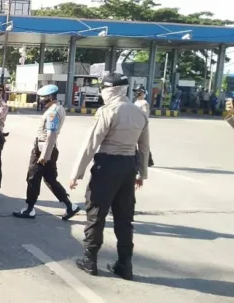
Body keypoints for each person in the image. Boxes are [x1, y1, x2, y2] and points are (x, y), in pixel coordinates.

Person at [69, 72, 150, 281]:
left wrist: (76, 173)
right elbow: (144, 147)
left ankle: (90, 260)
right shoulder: (139, 112)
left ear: (109, 90)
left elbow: (91, 144)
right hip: (128, 168)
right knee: (124, 219)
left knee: (96, 215)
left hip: (107, 167)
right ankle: (125, 264)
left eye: (103, 89)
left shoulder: (108, 111)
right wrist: (141, 173)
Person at [13, 84, 80, 220]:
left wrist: (44, 155)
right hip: (49, 148)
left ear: (50, 97)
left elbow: (51, 134)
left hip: (43, 149)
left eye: (43, 97)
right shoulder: (57, 108)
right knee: (50, 179)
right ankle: (70, 206)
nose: (41, 100)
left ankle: (29, 209)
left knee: (32, 178)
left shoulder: (52, 112)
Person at [133, 85, 154, 167]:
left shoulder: (144, 103)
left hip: (141, 126)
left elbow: (145, 115)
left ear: (142, 93)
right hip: (134, 125)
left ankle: (148, 160)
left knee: (143, 145)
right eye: (136, 92)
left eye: (138, 92)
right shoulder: (136, 102)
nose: (136, 93)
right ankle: (137, 159)